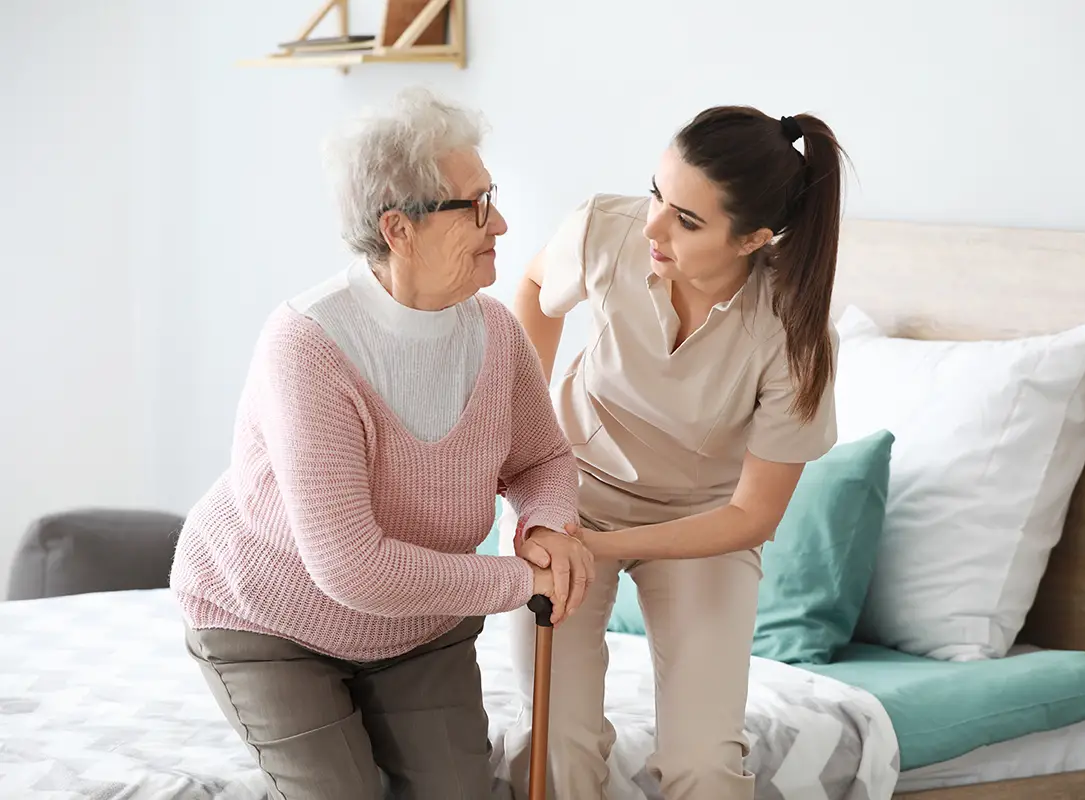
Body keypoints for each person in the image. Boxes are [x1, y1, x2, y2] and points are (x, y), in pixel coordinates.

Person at [168, 88, 594, 800]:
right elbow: (353, 569)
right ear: (398, 228)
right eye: (476, 206)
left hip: (419, 630)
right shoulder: (309, 345)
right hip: (270, 623)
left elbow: (541, 459)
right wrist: (522, 581)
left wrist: (546, 525)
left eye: (492, 197)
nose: (501, 223)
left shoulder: (495, 331)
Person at [501, 105, 846, 799]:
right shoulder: (607, 228)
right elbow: (537, 288)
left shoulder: (795, 336)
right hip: (571, 498)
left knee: (703, 766)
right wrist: (523, 443)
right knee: (558, 747)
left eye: (686, 220)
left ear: (753, 239)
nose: (652, 227)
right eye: (657, 193)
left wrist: (599, 547)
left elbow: (752, 516)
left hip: (703, 525)